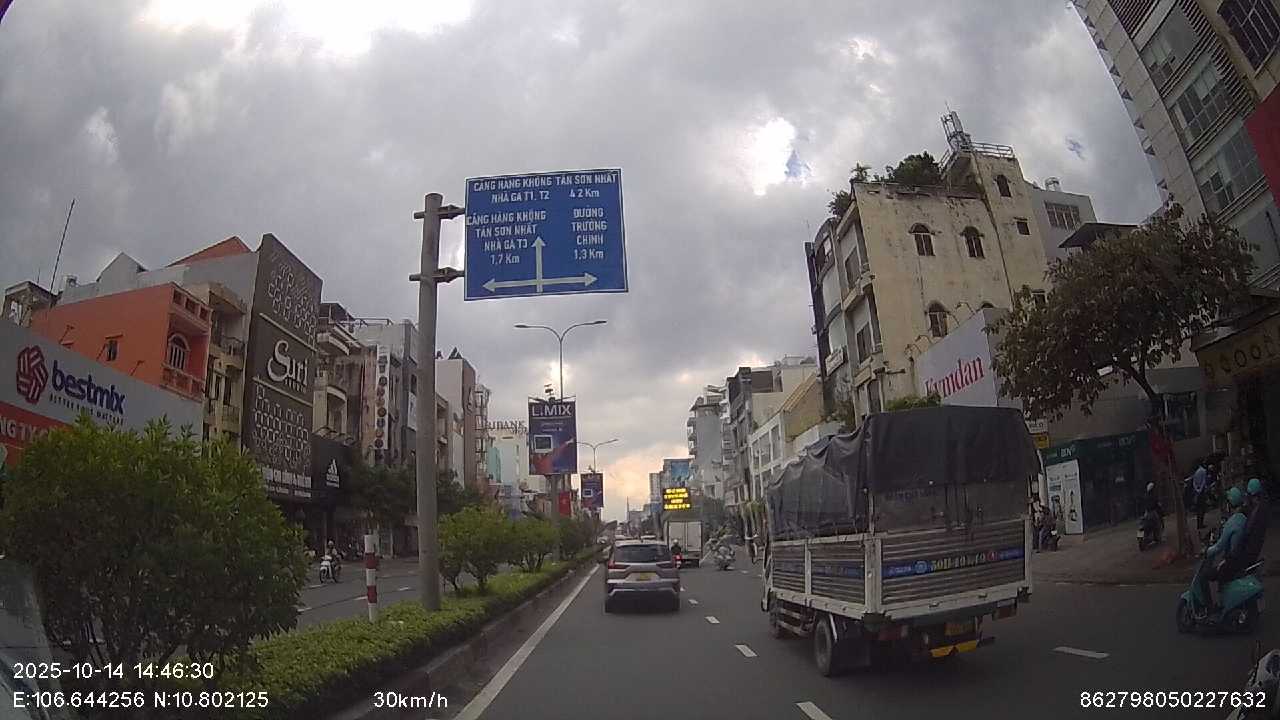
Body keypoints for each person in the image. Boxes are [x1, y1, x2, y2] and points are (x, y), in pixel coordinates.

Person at [1196, 487, 1247, 615]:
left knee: (1203, 577)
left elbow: (1219, 547)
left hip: (1231, 562)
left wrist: (1207, 551)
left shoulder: (1233, 523)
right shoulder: (1242, 518)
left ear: (1230, 504)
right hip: (1237, 558)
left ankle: (1210, 609)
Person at [1187, 460, 1210, 530]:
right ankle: (1201, 524)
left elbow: (1194, 482)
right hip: (1201, 492)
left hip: (1197, 491)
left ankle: (1199, 524)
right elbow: (1203, 482)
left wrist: (1197, 489)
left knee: (1198, 509)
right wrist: (1201, 490)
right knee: (1202, 509)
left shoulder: (1196, 472)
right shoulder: (1203, 471)